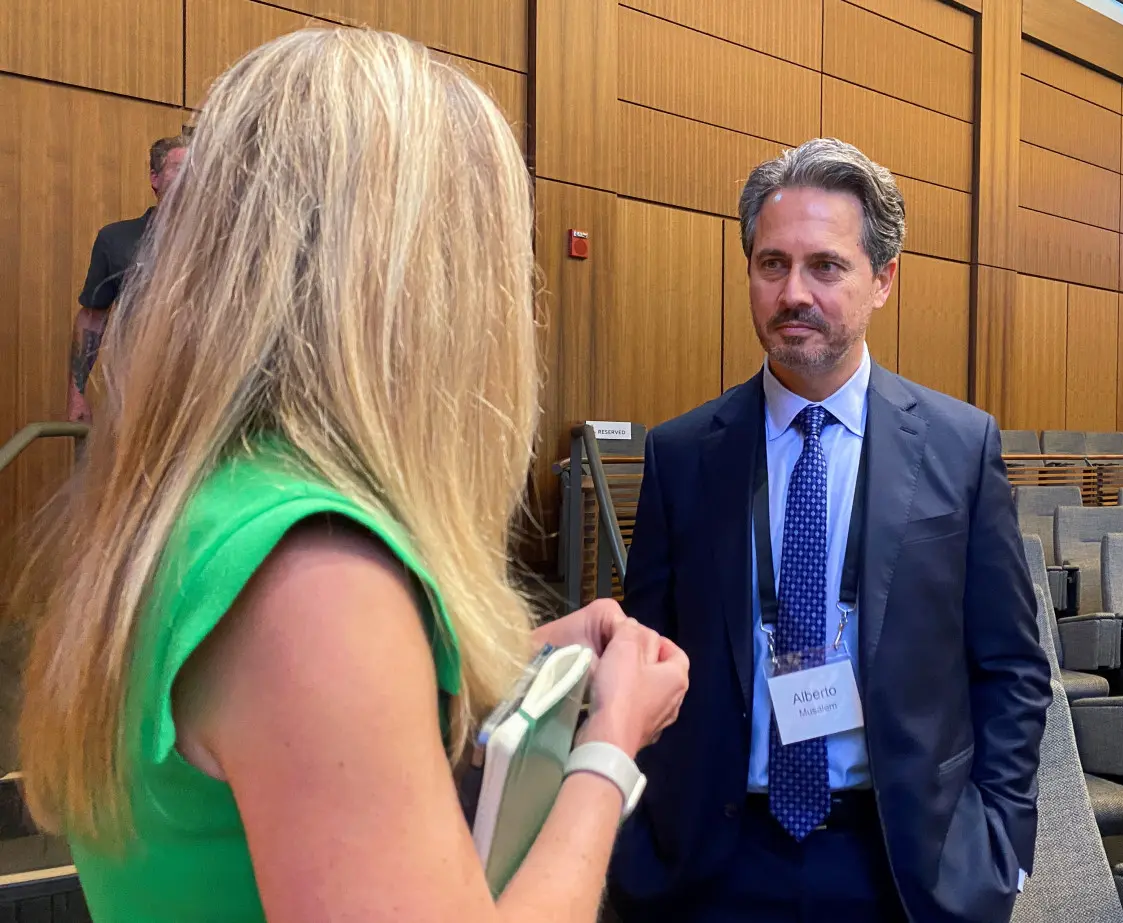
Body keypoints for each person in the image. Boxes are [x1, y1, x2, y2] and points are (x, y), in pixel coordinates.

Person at [15, 29, 688, 923]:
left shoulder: (197, 507)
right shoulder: (315, 572)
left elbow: (277, 734)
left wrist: (507, 666)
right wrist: (609, 748)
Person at [608, 138, 1052, 923]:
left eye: (826, 266)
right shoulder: (682, 456)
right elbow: (646, 652)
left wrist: (1001, 841)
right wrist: (639, 842)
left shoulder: (961, 446)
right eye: (771, 264)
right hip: (714, 865)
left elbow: (1012, 667)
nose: (793, 293)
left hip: (899, 864)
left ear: (883, 280)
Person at [67, 134, 187, 423]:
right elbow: (93, 318)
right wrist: (77, 394)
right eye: (179, 167)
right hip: (135, 396)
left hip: (204, 397)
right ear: (154, 178)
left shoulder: (222, 240)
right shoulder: (117, 239)